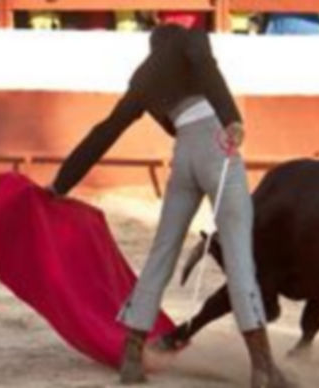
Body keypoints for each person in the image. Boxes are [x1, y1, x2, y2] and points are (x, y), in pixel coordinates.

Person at [47, 24, 290, 388]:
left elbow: (106, 130)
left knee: (162, 251)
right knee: (240, 256)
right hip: (215, 144)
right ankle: (262, 369)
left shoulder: (145, 76)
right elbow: (206, 67)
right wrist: (231, 118)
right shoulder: (191, 41)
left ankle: (131, 358)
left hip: (184, 156)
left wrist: (60, 183)